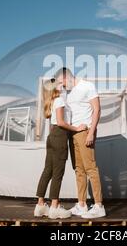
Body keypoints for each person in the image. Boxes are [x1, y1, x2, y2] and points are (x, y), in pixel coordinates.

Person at [55, 67, 106, 219]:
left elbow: (97, 110)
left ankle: (98, 206)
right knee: (79, 169)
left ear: (67, 77)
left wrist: (91, 132)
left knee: (91, 168)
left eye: (61, 82)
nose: (61, 86)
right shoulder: (67, 92)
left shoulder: (87, 86)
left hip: (85, 132)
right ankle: (82, 204)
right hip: (73, 132)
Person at [34, 79, 87, 219]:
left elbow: (57, 122)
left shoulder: (52, 101)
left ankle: (40, 205)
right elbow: (61, 122)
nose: (60, 83)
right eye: (57, 82)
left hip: (53, 136)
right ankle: (54, 207)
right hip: (60, 136)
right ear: (54, 88)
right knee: (58, 173)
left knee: (48, 171)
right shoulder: (59, 101)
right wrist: (77, 128)